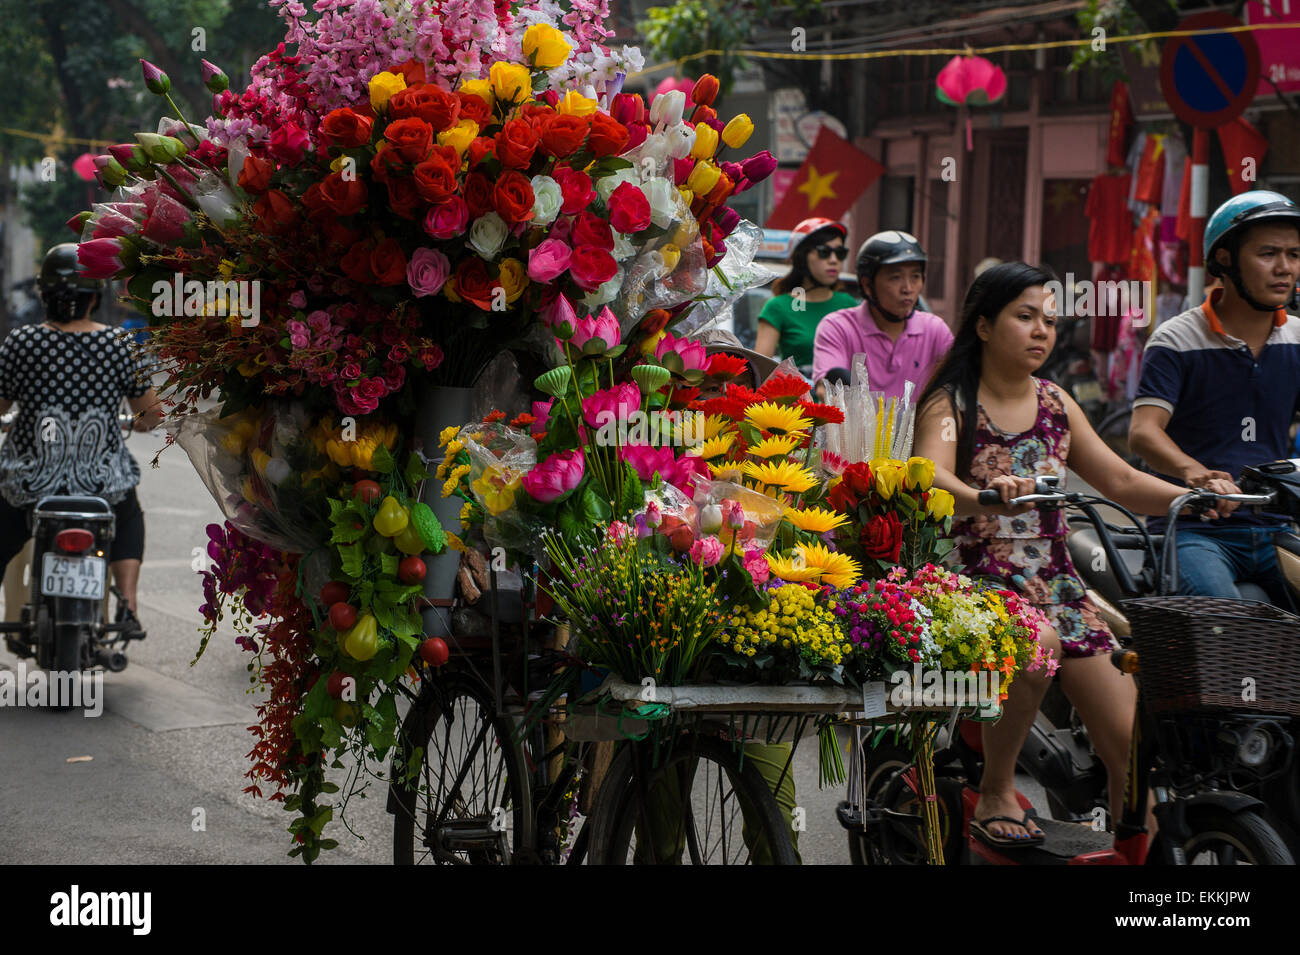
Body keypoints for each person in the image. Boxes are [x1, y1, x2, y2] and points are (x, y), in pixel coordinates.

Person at [913, 262, 1194, 847]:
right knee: (1037, 643)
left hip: (1059, 588)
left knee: (1129, 742)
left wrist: (1193, 498)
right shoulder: (953, 402)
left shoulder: (1057, 403)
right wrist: (984, 497)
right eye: (1025, 317)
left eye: (1049, 320)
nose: (1041, 330)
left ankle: (1138, 855)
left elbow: (1119, 479)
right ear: (984, 326)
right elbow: (931, 476)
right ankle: (995, 788)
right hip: (974, 583)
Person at [1128, 191, 1300, 603]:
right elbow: (1143, 433)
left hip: (1277, 524)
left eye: (1294, 254)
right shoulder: (1176, 339)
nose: (1285, 268)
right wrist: (1196, 474)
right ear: (1224, 258)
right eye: (1268, 253)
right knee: (1221, 629)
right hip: (1194, 526)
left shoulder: (1297, 338)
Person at [0, 243, 164, 624]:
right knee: (128, 518)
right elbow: (152, 413)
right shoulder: (120, 345)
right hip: (100, 483)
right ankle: (127, 605)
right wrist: (140, 423)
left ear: (44, 295)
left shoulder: (21, 342)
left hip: (30, 483)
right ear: (95, 297)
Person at [812, 230, 953, 400]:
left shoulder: (935, 330)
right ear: (867, 285)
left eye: (915, 276)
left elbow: (959, 386)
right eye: (895, 278)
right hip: (857, 426)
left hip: (920, 427)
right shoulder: (837, 327)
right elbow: (827, 389)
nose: (908, 288)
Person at [753, 218, 858, 372]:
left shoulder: (849, 304)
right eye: (824, 252)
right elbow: (760, 371)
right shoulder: (778, 307)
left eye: (840, 253)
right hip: (796, 395)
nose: (834, 260)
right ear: (802, 258)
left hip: (845, 395)